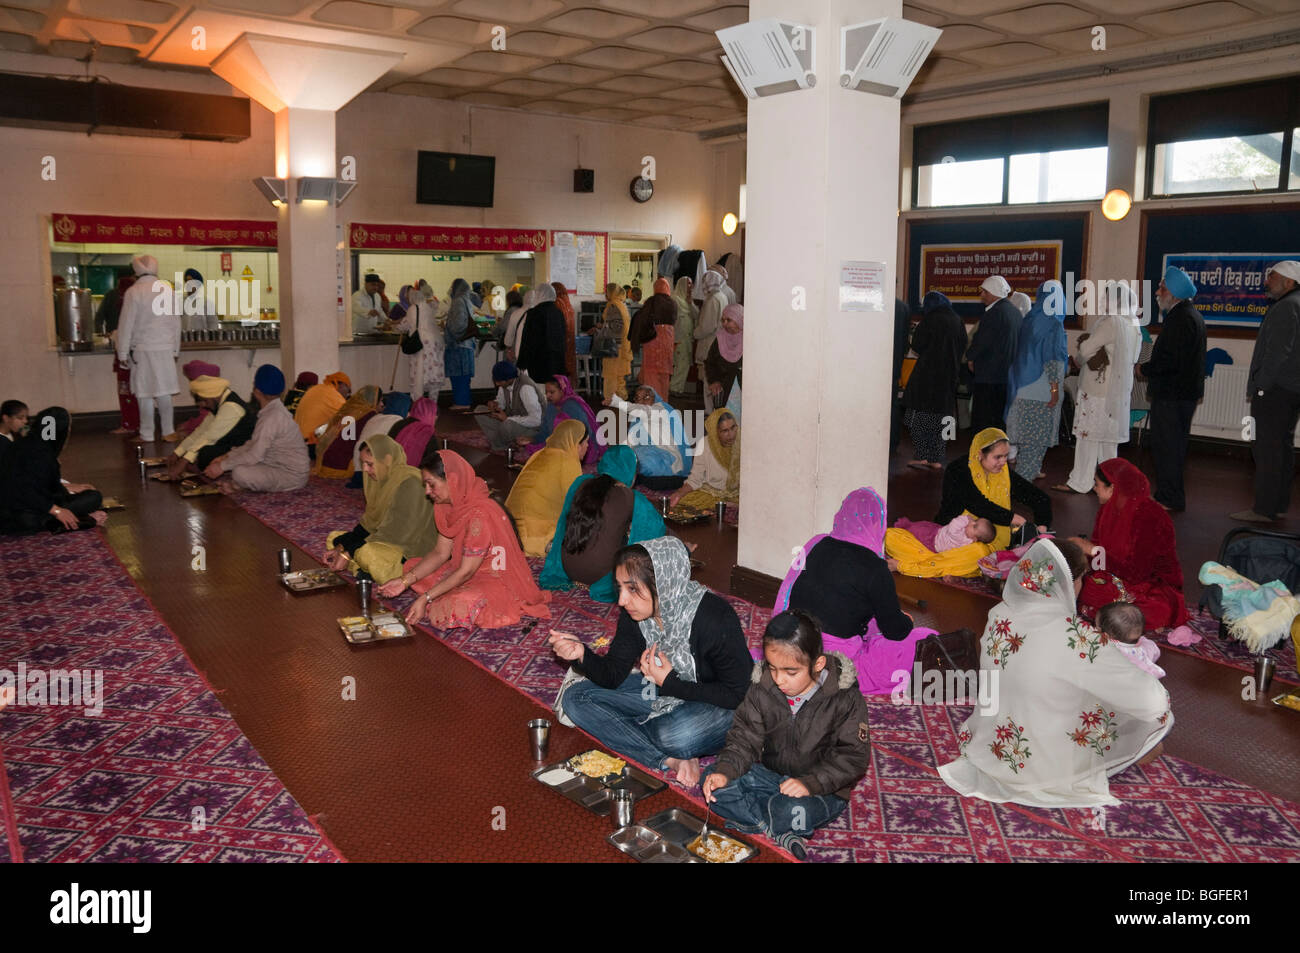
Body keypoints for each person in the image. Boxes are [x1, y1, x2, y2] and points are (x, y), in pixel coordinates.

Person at [938, 538, 1172, 812]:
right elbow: (1150, 701)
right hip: (1042, 760)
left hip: (993, 740)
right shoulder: (1076, 636)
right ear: (1070, 582)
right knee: (1148, 717)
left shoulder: (1000, 613)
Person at [549, 537, 752, 786]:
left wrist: (671, 682)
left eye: (633, 589)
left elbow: (738, 694)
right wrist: (582, 654)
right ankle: (669, 760)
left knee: (672, 735)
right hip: (664, 691)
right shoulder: (635, 616)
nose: (622, 600)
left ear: (664, 583)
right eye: (620, 588)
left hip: (718, 703)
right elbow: (612, 674)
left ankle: (666, 743)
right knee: (576, 698)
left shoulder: (715, 618)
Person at [703, 609, 871, 859]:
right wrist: (725, 771)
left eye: (791, 672)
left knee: (792, 811)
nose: (780, 680)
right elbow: (744, 738)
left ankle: (763, 820)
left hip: (821, 789)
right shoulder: (763, 688)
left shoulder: (845, 699)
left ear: (818, 664)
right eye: (772, 668)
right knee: (713, 781)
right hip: (771, 776)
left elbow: (853, 758)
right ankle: (777, 831)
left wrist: (810, 783)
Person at [778, 487, 938, 694]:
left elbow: (789, 590)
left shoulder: (816, 542)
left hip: (795, 640)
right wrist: (906, 620)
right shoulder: (876, 568)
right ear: (878, 524)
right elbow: (895, 632)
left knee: (869, 621)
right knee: (925, 637)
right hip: (835, 658)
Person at [380, 449, 551, 628]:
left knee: (457, 603)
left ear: (452, 480)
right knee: (412, 568)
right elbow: (440, 553)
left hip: (493, 576)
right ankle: (444, 591)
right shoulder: (447, 505)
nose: (427, 492)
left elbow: (466, 572)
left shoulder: (479, 514)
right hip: (464, 568)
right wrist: (404, 581)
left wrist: (426, 598)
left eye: (431, 484)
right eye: (426, 485)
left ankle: (457, 596)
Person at [885, 428, 1052, 578]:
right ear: (980, 454)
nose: (1003, 462)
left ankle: (911, 565)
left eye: (1006, 456)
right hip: (946, 537)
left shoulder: (1003, 472)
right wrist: (1014, 518)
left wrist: (1042, 527)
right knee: (891, 536)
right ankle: (949, 565)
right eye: (997, 457)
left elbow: (1039, 498)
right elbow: (977, 504)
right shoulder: (958, 470)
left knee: (978, 553)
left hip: (983, 544)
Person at [1065, 458, 1189, 631]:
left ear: (1113, 488)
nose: (1094, 489)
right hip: (1116, 577)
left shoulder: (1150, 517)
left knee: (1154, 609)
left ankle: (1141, 618)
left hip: (1152, 585)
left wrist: (1093, 550)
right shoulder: (1108, 509)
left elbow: (1137, 573)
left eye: (1097, 484)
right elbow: (1100, 557)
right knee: (1079, 585)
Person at [540, 445, 667, 602]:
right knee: (636, 540)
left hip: (568, 568)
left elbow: (562, 526)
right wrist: (682, 547)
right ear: (631, 474)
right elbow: (656, 531)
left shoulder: (580, 483)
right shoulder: (631, 497)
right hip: (602, 577)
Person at [1054, 283, 1141, 494]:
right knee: (1108, 441)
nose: (1103, 302)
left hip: (1097, 389)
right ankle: (1110, 482)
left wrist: (1081, 354)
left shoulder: (1111, 322)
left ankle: (1080, 482)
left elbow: (1086, 348)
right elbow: (1135, 357)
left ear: (1117, 302)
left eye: (1107, 298)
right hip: (1117, 391)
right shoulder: (1133, 323)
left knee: (1087, 438)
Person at [1234, 260, 1300, 523]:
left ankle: (1263, 509)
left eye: (1271, 277)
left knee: (1266, 449)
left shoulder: (1286, 307)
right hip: (1290, 391)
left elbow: (1278, 353)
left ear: (1288, 281)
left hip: (1275, 392)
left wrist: (1261, 384)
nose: (1266, 282)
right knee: (1282, 449)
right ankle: (1278, 504)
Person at [324, 435, 440, 584]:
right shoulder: (383, 481)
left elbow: (397, 534)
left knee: (367, 554)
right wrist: (341, 547)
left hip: (413, 549)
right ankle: (363, 568)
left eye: (369, 464)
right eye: (363, 464)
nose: (365, 470)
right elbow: (369, 526)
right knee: (334, 538)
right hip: (388, 539)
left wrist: (348, 554)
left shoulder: (410, 483)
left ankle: (376, 569)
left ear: (387, 460)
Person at [1138, 266, 1206, 513]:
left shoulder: (1181, 319)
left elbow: (1170, 360)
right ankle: (1169, 493)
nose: (1157, 292)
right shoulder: (1189, 316)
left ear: (1175, 292)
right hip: (1180, 395)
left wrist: (1145, 369)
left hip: (1172, 396)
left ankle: (1169, 497)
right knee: (1173, 446)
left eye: (1162, 288)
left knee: (1168, 447)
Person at [202, 364, 310, 493]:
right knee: (238, 464)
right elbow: (253, 444)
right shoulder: (273, 410)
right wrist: (226, 457)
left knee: (239, 472)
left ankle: (238, 485)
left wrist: (221, 466)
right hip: (274, 465)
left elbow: (254, 455)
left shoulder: (271, 417)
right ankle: (237, 485)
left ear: (256, 391)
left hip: (291, 475)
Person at [0, 407, 106, 534]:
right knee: (93, 497)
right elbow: (25, 490)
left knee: (87, 496)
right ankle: (64, 520)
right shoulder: (43, 452)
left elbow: (40, 485)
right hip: (17, 512)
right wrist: (56, 510)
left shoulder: (25, 443)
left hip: (15, 505)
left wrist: (67, 489)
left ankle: (56, 519)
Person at [1006, 281, 1068, 480]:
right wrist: (1055, 390)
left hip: (1022, 387)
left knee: (1026, 447)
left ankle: (1018, 490)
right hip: (1042, 392)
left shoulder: (1030, 318)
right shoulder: (1055, 324)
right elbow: (1053, 361)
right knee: (1034, 450)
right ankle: (1019, 496)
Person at [116, 255, 179, 443]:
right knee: (164, 391)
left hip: (142, 349)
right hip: (166, 348)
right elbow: (176, 322)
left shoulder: (134, 292)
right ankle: (168, 431)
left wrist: (122, 352)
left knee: (144, 392)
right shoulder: (168, 290)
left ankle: (147, 434)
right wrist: (175, 349)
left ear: (136, 271)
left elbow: (126, 324)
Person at [503, 419, 588, 556]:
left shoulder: (538, 454)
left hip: (508, 529)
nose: (588, 446)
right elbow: (576, 504)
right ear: (576, 444)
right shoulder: (568, 461)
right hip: (535, 535)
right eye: (586, 442)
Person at [902, 291, 967, 470]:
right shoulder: (957, 319)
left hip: (928, 376)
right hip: (950, 375)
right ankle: (938, 457)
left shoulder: (931, 319)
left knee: (918, 415)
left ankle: (923, 456)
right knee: (944, 417)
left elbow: (917, 345)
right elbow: (964, 344)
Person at [164, 375, 255, 479]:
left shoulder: (231, 407)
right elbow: (200, 432)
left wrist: (183, 462)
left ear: (214, 397)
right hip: (230, 443)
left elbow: (209, 437)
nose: (203, 406)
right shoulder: (218, 404)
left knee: (205, 454)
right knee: (203, 452)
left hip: (243, 449)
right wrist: (177, 453)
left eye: (205, 401)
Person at [966, 275, 1020, 433]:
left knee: (983, 422)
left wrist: (970, 357)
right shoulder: (1014, 312)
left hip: (989, 376)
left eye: (985, 292)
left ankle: (981, 456)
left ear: (995, 292)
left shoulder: (994, 313)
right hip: (1006, 376)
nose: (982, 295)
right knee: (998, 421)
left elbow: (982, 342)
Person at [606, 385, 690, 484]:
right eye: (637, 398)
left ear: (654, 398)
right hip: (645, 451)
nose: (641, 402)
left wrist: (616, 402)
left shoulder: (659, 409)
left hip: (666, 456)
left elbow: (642, 410)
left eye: (646, 398)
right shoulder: (637, 418)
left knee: (643, 463)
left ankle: (636, 474)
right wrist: (617, 451)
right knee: (620, 456)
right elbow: (632, 440)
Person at [667, 408, 739, 510]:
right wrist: (679, 493)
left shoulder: (742, 443)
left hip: (739, 495)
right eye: (725, 431)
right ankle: (725, 504)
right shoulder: (704, 445)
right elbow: (695, 479)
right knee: (683, 503)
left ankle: (729, 504)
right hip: (712, 493)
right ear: (715, 431)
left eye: (733, 428)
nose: (731, 435)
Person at [524, 374, 603, 465]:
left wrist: (565, 446)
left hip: (581, 448)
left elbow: (585, 433)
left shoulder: (572, 406)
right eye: (546, 392)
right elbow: (545, 432)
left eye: (552, 392)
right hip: (558, 445)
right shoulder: (550, 407)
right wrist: (532, 439)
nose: (548, 395)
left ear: (562, 391)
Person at [98, 273, 139, 436]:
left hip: (124, 356)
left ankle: (129, 424)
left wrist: (109, 335)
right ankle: (138, 424)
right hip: (138, 355)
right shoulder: (137, 298)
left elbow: (99, 318)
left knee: (126, 391)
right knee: (138, 392)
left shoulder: (117, 297)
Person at [314, 386, 383, 479]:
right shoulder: (370, 414)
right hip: (342, 465)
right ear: (374, 400)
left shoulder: (350, 407)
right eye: (380, 401)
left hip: (326, 460)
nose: (382, 404)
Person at [475, 361, 543, 451]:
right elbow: (501, 403)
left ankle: (499, 445)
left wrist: (507, 419)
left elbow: (536, 420)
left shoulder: (526, 388)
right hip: (512, 422)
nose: (497, 384)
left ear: (510, 379)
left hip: (533, 430)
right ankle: (507, 441)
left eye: (499, 381)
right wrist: (495, 404)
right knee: (479, 411)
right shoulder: (505, 384)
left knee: (507, 426)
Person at [398, 283, 445, 401]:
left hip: (420, 345)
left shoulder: (412, 309)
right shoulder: (430, 306)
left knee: (419, 375)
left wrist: (396, 327)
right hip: (435, 344)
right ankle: (433, 405)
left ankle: (418, 406)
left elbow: (404, 325)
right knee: (433, 374)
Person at [1096, 601, 1165, 679]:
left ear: (1107, 635)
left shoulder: (1107, 647)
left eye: (1097, 627)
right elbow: (1156, 652)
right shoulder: (1144, 646)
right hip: (1142, 679)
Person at [516, 282, 567, 384]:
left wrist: (522, 362)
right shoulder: (559, 313)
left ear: (539, 295)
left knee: (539, 391)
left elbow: (528, 339)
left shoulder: (534, 313)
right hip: (557, 361)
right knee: (555, 390)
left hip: (538, 361)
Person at [693, 271, 728, 412]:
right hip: (719, 342)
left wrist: (695, 333)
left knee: (709, 379)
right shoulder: (722, 296)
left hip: (709, 343)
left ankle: (710, 412)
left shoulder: (713, 299)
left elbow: (707, 326)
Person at [636, 277, 676, 397]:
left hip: (652, 339)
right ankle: (663, 403)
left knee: (651, 373)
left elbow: (643, 319)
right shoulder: (673, 303)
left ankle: (652, 404)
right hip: (668, 339)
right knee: (664, 374)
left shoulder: (651, 302)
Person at [596, 283, 634, 403]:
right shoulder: (621, 305)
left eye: (607, 291)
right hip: (622, 346)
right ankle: (620, 399)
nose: (605, 294)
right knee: (619, 376)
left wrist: (601, 328)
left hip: (614, 347)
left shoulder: (613, 306)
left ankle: (611, 400)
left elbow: (616, 327)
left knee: (611, 375)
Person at [444, 279, 478, 411]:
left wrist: (451, 331)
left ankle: (462, 402)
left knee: (459, 376)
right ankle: (464, 400)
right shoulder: (467, 300)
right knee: (464, 376)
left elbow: (458, 325)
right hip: (466, 345)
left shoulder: (458, 301)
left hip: (459, 346)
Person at [295, 372, 350, 446]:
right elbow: (350, 417)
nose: (347, 394)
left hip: (297, 440)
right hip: (310, 443)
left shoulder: (316, 389)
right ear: (342, 385)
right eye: (348, 390)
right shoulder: (333, 395)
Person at [704, 303, 743, 408]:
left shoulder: (748, 339)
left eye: (729, 320)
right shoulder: (720, 339)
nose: (725, 324)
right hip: (722, 391)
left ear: (739, 319)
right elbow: (710, 362)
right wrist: (714, 381)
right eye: (723, 320)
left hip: (743, 394)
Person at [669, 276, 697, 397]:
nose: (690, 286)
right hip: (678, 337)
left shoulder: (688, 300)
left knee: (684, 363)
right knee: (681, 363)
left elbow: (697, 315)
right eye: (688, 283)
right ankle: (674, 389)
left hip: (687, 337)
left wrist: (691, 303)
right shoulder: (674, 300)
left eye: (691, 283)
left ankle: (677, 388)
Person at [392, 396, 438, 469]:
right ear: (431, 415)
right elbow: (433, 463)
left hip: (391, 471)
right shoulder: (427, 433)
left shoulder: (398, 424)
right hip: (414, 476)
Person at [552, 282, 577, 379]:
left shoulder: (557, 302)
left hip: (561, 341)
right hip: (569, 341)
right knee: (567, 370)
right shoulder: (568, 303)